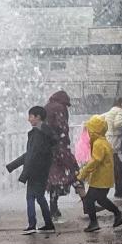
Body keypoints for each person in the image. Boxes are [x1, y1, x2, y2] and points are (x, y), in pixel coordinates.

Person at [6, 105, 58, 234]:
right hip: (42, 169)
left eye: (30, 116)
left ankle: (32, 224)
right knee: (40, 197)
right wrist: (13, 165)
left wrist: (24, 174)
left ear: (38, 117)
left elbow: (32, 155)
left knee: (30, 197)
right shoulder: (45, 132)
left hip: (35, 170)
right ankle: (48, 224)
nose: (28, 119)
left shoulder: (38, 134)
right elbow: (31, 154)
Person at [76, 115, 122, 232]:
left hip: (100, 179)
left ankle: (94, 223)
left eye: (89, 129)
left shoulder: (98, 143)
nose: (87, 131)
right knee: (101, 199)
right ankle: (118, 214)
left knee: (88, 200)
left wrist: (82, 174)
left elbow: (95, 161)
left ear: (94, 130)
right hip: (105, 178)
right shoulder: (103, 141)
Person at [44, 90, 79, 219]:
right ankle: (87, 202)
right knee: (73, 171)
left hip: (48, 147)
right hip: (59, 147)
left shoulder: (47, 106)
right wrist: (64, 141)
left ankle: (53, 207)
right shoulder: (59, 107)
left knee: (53, 178)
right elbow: (62, 126)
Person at [102, 96, 122, 197]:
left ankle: (119, 189)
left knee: (115, 164)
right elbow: (118, 124)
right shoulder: (121, 111)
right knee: (117, 166)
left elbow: (102, 118)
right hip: (115, 139)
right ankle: (119, 190)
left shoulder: (112, 110)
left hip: (108, 138)